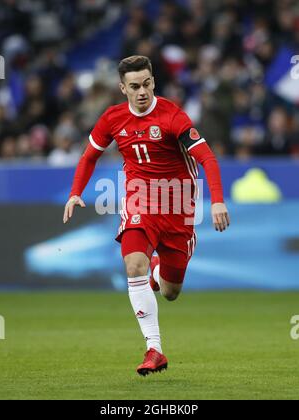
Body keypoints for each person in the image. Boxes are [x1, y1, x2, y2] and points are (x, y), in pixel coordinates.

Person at [63, 56, 230, 376]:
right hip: (140, 203)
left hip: (179, 209)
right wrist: (75, 193)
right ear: (123, 88)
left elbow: (207, 159)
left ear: (154, 82)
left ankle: (157, 274)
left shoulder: (172, 117)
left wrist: (218, 201)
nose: (142, 92)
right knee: (132, 264)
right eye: (135, 86)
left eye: (148, 84)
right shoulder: (112, 118)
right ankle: (154, 349)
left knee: (170, 291)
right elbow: (89, 157)